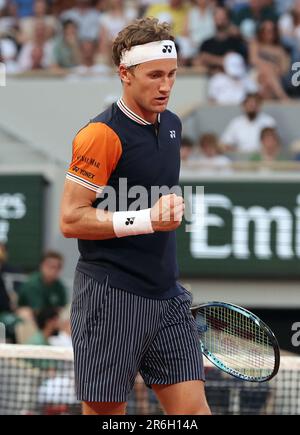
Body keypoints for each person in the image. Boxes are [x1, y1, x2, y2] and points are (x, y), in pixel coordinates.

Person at [60, 17, 210, 416]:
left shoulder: (174, 126)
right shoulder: (100, 135)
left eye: (172, 75)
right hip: (111, 297)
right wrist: (146, 219)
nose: (165, 86)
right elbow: (71, 218)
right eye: (155, 75)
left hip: (168, 297)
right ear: (125, 74)